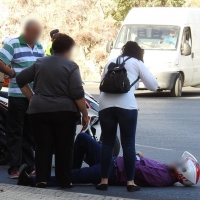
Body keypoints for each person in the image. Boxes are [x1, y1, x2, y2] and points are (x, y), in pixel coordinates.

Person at [16, 33, 88, 189]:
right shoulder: (71, 66)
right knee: (65, 146)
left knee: (42, 146)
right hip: (64, 112)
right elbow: (77, 93)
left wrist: (32, 98)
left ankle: (42, 179)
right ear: (68, 50)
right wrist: (85, 114)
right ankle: (64, 181)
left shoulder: (39, 63)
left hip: (38, 111)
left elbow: (20, 79)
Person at [17, 133, 200, 187]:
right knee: (83, 139)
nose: (176, 161)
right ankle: (70, 172)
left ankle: (31, 181)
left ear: (181, 174)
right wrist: (138, 157)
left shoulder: (162, 176)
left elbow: (136, 169)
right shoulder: (166, 170)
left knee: (70, 176)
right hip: (112, 162)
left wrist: (136, 156)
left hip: (113, 171)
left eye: (180, 164)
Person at [97, 41, 158, 192]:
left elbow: (102, 83)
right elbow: (153, 86)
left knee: (107, 143)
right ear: (138, 53)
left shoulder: (111, 62)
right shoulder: (137, 63)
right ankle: (130, 182)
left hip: (105, 105)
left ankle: (103, 181)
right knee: (128, 144)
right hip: (127, 106)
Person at [0, 20, 44, 179]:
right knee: (15, 131)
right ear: (26, 31)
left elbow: (43, 67)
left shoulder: (39, 46)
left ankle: (30, 166)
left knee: (30, 132)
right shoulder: (13, 44)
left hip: (33, 96)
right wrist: (11, 74)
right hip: (17, 95)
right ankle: (14, 168)